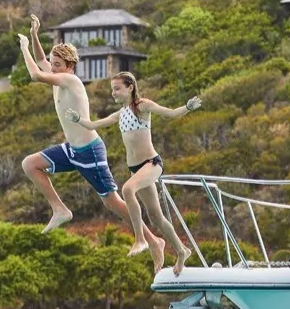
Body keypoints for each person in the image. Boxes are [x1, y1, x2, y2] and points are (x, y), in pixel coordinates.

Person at [18, 17, 164, 263]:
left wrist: (23, 47)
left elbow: (35, 73)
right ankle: (60, 209)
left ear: (69, 66)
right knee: (30, 164)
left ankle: (153, 241)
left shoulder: (70, 80)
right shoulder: (58, 75)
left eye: (57, 64)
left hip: (89, 152)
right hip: (71, 150)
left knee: (112, 203)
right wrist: (34, 35)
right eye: (52, 64)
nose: (51, 67)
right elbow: (41, 61)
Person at [68, 72, 202, 275]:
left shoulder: (142, 106)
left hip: (151, 163)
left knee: (128, 189)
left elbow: (171, 113)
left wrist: (188, 108)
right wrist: (78, 119)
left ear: (130, 87)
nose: (113, 93)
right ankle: (182, 250)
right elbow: (95, 124)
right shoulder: (119, 115)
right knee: (156, 217)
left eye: (117, 88)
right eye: (112, 89)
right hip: (136, 168)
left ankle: (140, 239)